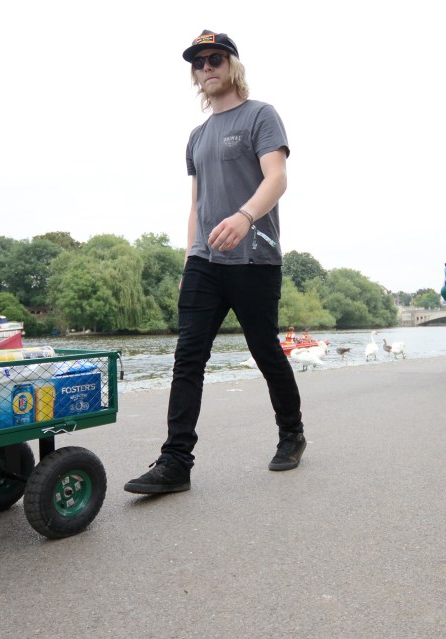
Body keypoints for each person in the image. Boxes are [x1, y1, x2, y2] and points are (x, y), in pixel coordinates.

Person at [124, 30, 304, 495]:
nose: (207, 67)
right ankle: (176, 462)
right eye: (199, 62)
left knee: (265, 350)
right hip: (205, 260)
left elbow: (277, 178)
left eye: (215, 58)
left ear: (233, 65)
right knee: (188, 358)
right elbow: (196, 203)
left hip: (255, 256)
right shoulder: (197, 136)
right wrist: (190, 257)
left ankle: (292, 434)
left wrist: (245, 216)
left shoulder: (262, 115)